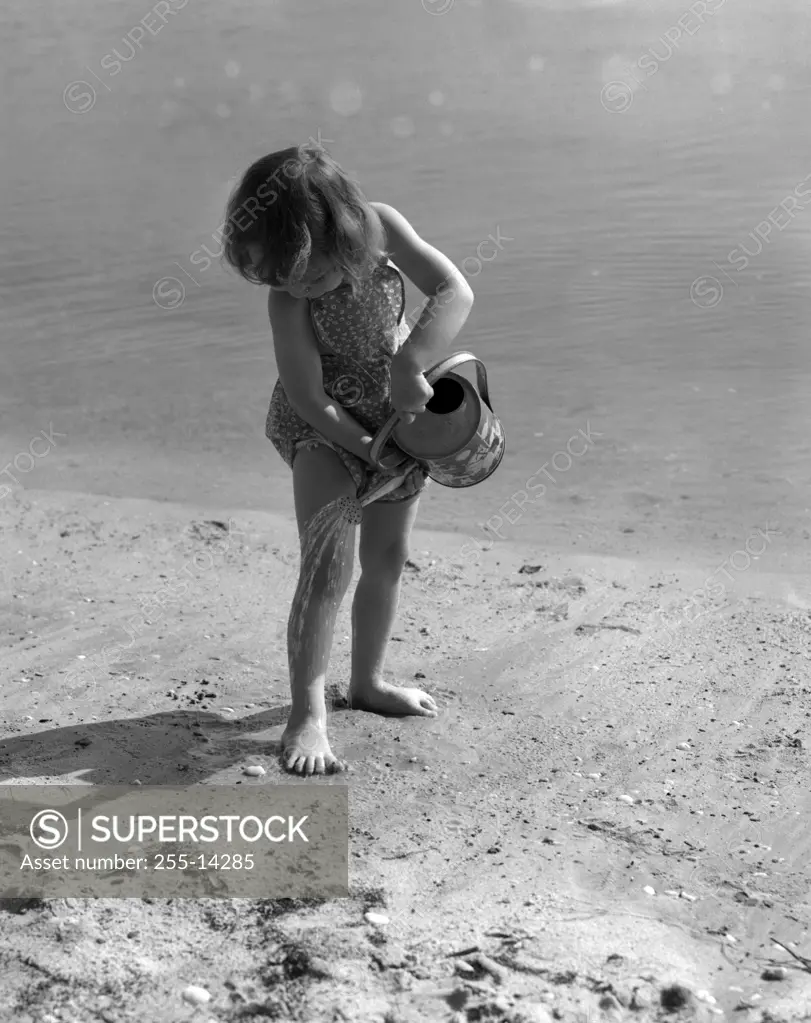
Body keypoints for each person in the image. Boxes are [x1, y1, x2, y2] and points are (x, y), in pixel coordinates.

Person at [222, 142, 474, 775]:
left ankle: (367, 683)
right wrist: (366, 450)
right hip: (323, 428)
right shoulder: (288, 299)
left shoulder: (383, 226)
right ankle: (306, 715)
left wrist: (410, 360)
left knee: (387, 559)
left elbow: (454, 289)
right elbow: (307, 395)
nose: (292, 286)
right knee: (326, 569)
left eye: (306, 273)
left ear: (342, 231)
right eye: (276, 276)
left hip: (399, 418)